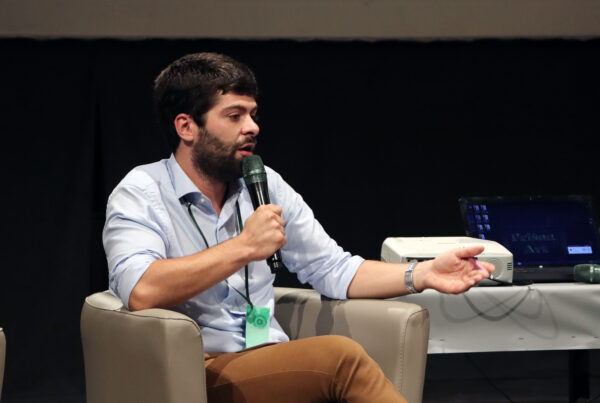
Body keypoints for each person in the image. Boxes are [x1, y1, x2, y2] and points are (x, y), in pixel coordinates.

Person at [103, 52, 495, 403]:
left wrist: (422, 273)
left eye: (253, 114)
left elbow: (332, 269)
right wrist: (243, 247)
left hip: (264, 356)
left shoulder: (263, 182)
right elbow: (141, 290)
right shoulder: (142, 192)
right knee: (340, 359)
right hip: (193, 371)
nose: (252, 127)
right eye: (234, 115)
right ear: (186, 127)